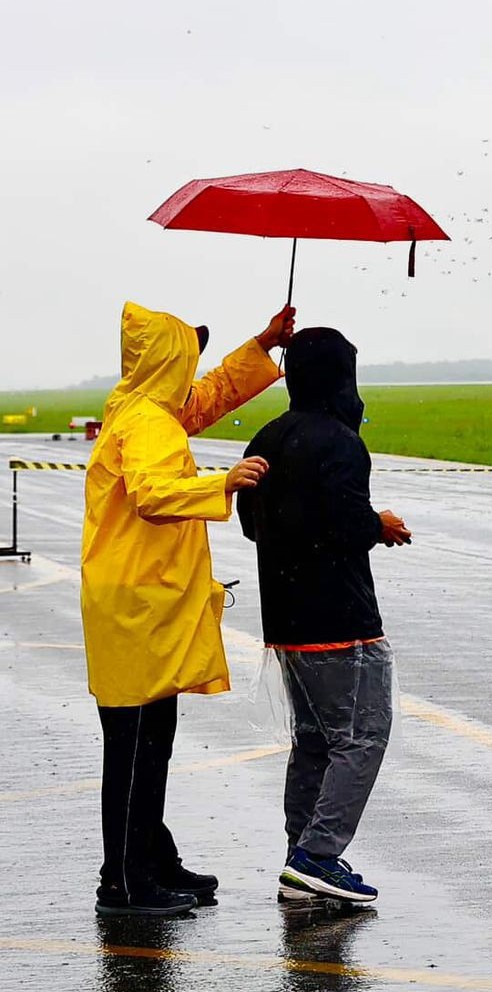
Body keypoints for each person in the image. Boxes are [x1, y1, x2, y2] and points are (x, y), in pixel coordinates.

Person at [81, 299, 295, 917]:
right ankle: (123, 881)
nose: (192, 369)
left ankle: (148, 854)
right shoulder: (145, 423)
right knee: (133, 743)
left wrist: (262, 344)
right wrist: (220, 483)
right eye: (189, 356)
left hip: (143, 600)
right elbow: (151, 495)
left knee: (152, 738)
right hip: (136, 601)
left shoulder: (145, 409)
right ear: (167, 362)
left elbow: (204, 401)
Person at [236, 327, 411, 905]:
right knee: (361, 737)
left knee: (314, 741)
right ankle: (318, 855)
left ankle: (300, 856)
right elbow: (343, 523)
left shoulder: (266, 435)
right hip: (341, 621)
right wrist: (377, 525)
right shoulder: (340, 442)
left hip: (284, 623)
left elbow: (250, 521)